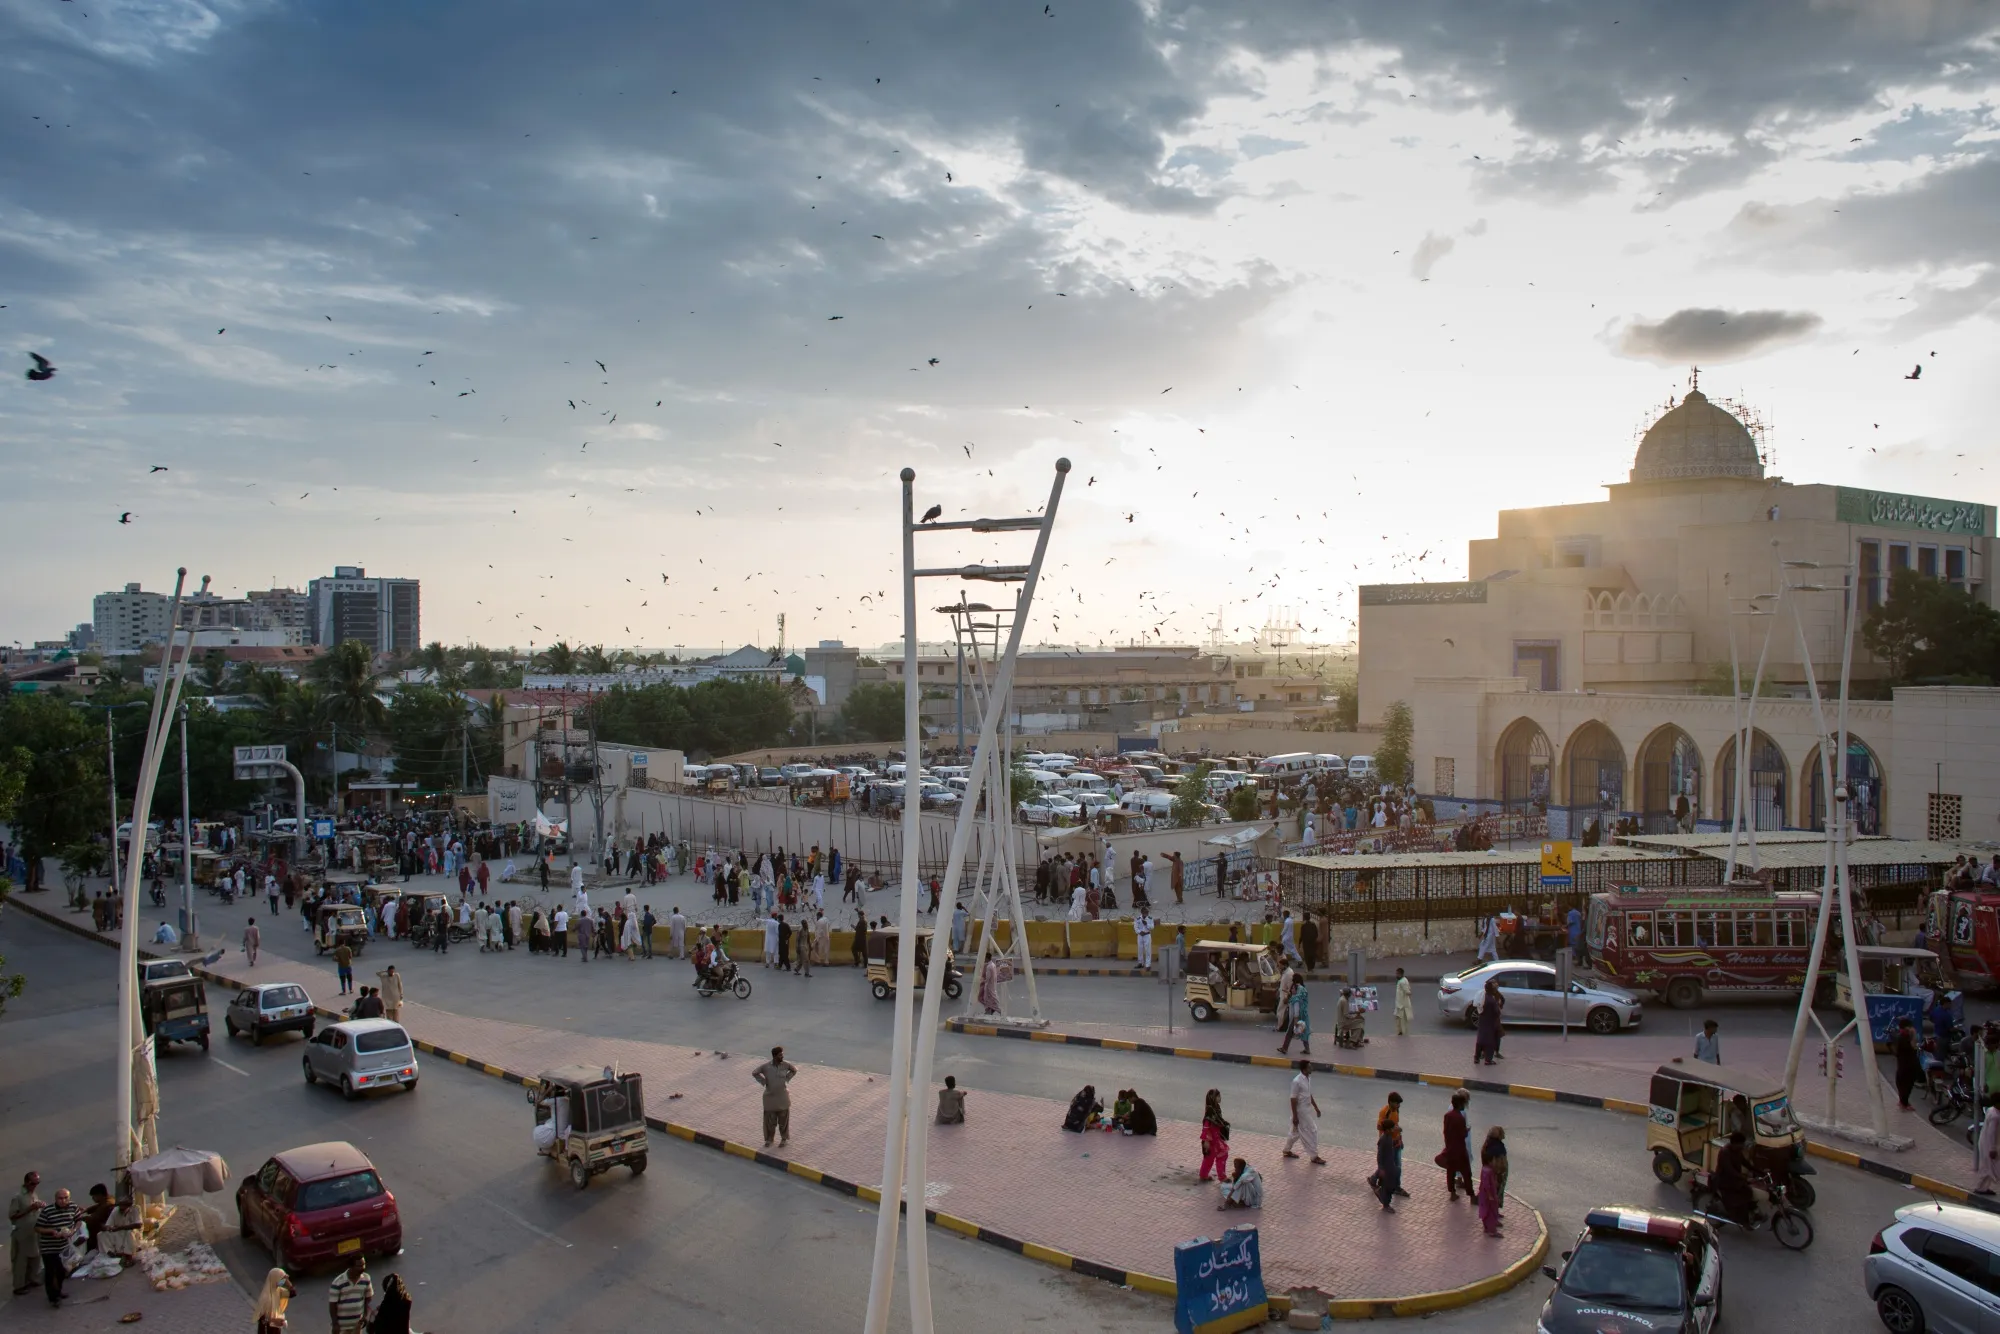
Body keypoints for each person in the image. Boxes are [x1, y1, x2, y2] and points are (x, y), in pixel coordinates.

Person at [34, 1186, 81, 1307]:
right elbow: (38, 1228)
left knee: (62, 1271)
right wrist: (52, 1231)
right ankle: (53, 1298)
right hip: (49, 1247)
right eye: (60, 1198)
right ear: (55, 1199)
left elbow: (78, 1220)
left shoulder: (73, 1207)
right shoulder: (47, 1211)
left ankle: (58, 1291)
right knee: (51, 1272)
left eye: (66, 1198)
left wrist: (73, 1230)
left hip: (64, 1246)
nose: (63, 1201)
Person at [753, 1046, 798, 1149]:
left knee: (783, 1122)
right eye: (780, 1055)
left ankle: (784, 1139)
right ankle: (769, 1139)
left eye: (782, 1054)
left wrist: (787, 1079)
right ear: (774, 1056)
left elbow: (794, 1070)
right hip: (770, 1099)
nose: (782, 1056)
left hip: (783, 1098)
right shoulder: (766, 1067)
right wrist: (764, 1082)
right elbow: (754, 1073)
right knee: (770, 1122)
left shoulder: (786, 1065)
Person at [1282, 1059, 1325, 1164]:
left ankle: (1286, 1150)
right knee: (1312, 1131)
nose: (1312, 1068)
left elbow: (1309, 1094)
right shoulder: (1297, 1081)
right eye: (1310, 1067)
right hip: (1301, 1111)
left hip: (1307, 1109)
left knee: (1295, 1132)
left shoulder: (1308, 1078)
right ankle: (1314, 1156)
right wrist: (1295, 1116)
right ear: (1304, 1069)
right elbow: (1293, 1099)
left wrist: (1316, 1107)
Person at [1711, 1130, 1758, 1226]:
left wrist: (1758, 1171)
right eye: (1741, 1144)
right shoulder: (1725, 1152)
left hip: (1734, 1179)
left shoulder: (1737, 1151)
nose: (1743, 1146)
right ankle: (1739, 1218)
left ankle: (1751, 1212)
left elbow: (1745, 1163)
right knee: (1744, 1193)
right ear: (1735, 1144)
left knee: (1749, 1191)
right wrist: (1744, 1178)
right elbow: (1729, 1170)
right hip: (1724, 1180)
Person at [1437, 1090, 1474, 1200]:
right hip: (1460, 1149)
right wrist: (1467, 1130)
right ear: (1459, 1104)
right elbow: (1462, 1134)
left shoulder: (1448, 1115)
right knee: (1467, 1172)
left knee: (1451, 1171)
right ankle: (1471, 1195)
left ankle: (1452, 1193)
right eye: (1463, 1103)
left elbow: (1446, 1131)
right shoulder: (1459, 1117)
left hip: (1450, 1148)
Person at [11, 1170, 43, 1296]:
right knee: (21, 1261)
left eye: (37, 1183)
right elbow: (13, 1216)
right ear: (26, 1182)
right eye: (32, 1183)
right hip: (22, 1233)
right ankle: (19, 1286)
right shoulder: (18, 1197)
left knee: (35, 1257)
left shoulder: (33, 1194)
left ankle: (33, 1279)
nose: (34, 1186)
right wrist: (29, 1209)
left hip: (34, 1232)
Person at [328, 1254, 375, 1334]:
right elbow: (332, 1305)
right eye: (359, 1266)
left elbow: (368, 1298)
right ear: (351, 1267)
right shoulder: (338, 1282)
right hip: (342, 1327)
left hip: (357, 1326)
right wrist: (335, 1324)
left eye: (364, 1264)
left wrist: (365, 1315)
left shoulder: (366, 1279)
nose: (363, 1268)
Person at [1476, 1128, 1508, 1236]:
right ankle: (1492, 1230)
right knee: (1490, 1209)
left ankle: (1490, 1225)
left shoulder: (1489, 1146)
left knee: (1491, 1208)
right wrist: (1490, 1195)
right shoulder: (1488, 1171)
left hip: (1490, 1192)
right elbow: (1486, 1184)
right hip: (1489, 1194)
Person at [1199, 1090, 1231, 1182]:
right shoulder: (1210, 1111)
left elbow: (1218, 1121)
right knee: (1212, 1157)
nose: (1220, 1098)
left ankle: (1206, 1175)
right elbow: (1206, 1126)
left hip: (1216, 1137)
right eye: (1218, 1096)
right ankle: (1219, 1176)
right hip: (1212, 1139)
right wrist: (1206, 1140)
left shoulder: (1216, 1109)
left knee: (1217, 1156)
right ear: (1213, 1098)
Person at [253, 1266, 295, 1334]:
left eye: (282, 1279)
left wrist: (287, 1281)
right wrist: (275, 1321)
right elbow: (263, 1319)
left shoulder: (279, 1291)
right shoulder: (266, 1296)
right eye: (280, 1279)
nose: (281, 1281)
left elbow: (293, 1293)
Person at [1894, 1015, 1923, 1110]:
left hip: (1902, 1064)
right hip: (1908, 1065)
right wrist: (1914, 1035)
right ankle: (1904, 1103)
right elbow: (1913, 1046)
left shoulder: (1901, 1036)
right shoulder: (1904, 1038)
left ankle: (1902, 1101)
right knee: (1907, 1084)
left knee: (1902, 1083)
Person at [1278, 980, 1312, 1056]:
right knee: (1304, 1034)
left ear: (1296, 991)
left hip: (1296, 1019)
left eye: (1293, 989)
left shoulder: (1296, 1000)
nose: (1291, 990)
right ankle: (1307, 1049)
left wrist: (1295, 1023)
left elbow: (1296, 1012)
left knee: (1289, 1033)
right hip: (1301, 1018)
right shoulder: (1298, 997)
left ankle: (1284, 1048)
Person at [1474, 979, 1503, 1065]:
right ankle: (1488, 1060)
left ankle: (1476, 1058)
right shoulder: (1491, 1000)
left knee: (1480, 1040)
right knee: (1490, 1041)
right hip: (1490, 1023)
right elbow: (1497, 1012)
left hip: (1482, 1021)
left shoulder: (1483, 996)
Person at [1975, 1097, 2000, 1196]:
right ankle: (1980, 1188)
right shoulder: (1995, 1116)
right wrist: (1992, 1149)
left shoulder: (1991, 1110)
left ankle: (1983, 1188)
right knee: (1989, 1168)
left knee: (1989, 1167)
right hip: (1989, 1145)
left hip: (1984, 1141)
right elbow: (1992, 1133)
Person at [1393, 967, 1413, 1036]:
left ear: (1400, 974)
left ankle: (1403, 1034)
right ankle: (1400, 1032)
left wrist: (1407, 993)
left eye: (1397, 974)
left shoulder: (1402, 982)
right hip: (1399, 1005)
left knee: (1402, 1021)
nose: (1396, 975)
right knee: (1399, 1020)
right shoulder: (1404, 980)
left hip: (1402, 1006)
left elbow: (1408, 992)